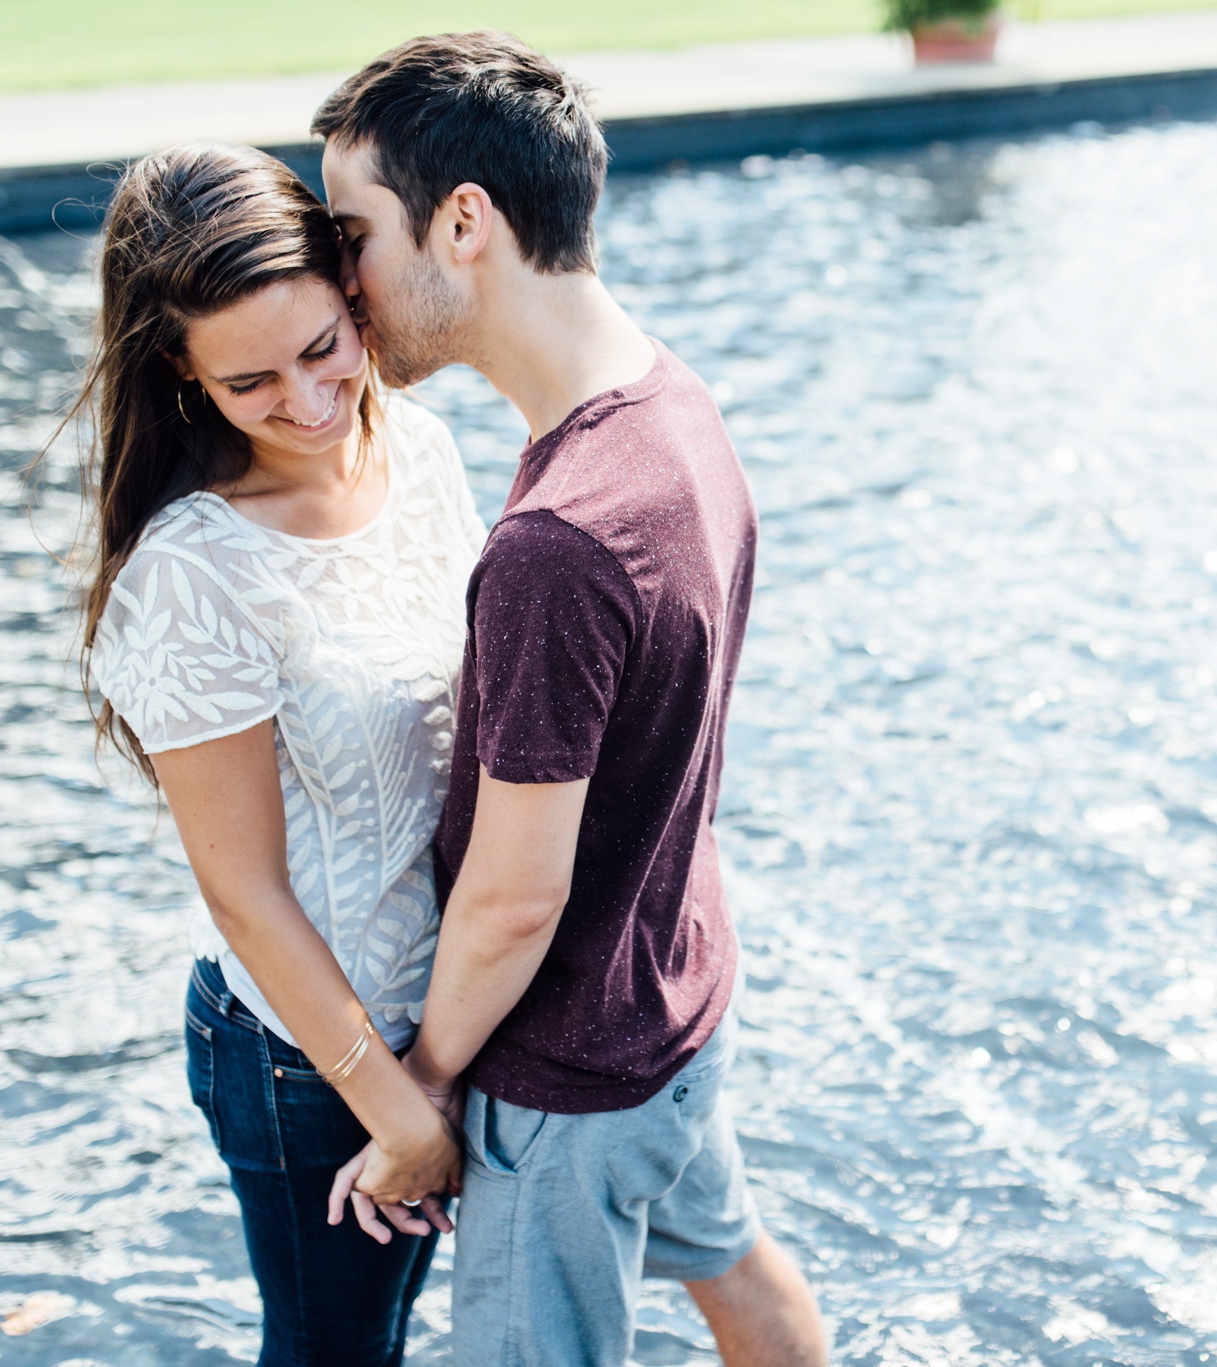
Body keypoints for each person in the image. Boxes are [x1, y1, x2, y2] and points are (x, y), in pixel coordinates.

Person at [314, 32, 829, 1367]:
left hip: (565, 1084)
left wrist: (418, 1082)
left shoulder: (556, 544)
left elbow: (513, 895)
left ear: (465, 222)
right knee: (739, 1271)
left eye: (353, 232)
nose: (338, 279)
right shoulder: (673, 404)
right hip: (674, 996)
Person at [72, 142, 485, 1365]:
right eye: (250, 382)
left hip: (453, 1014)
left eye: (323, 349)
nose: (310, 404)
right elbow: (243, 891)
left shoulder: (418, 447)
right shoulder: (192, 574)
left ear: (354, 297)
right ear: (181, 375)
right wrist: (389, 1101)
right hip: (308, 1058)